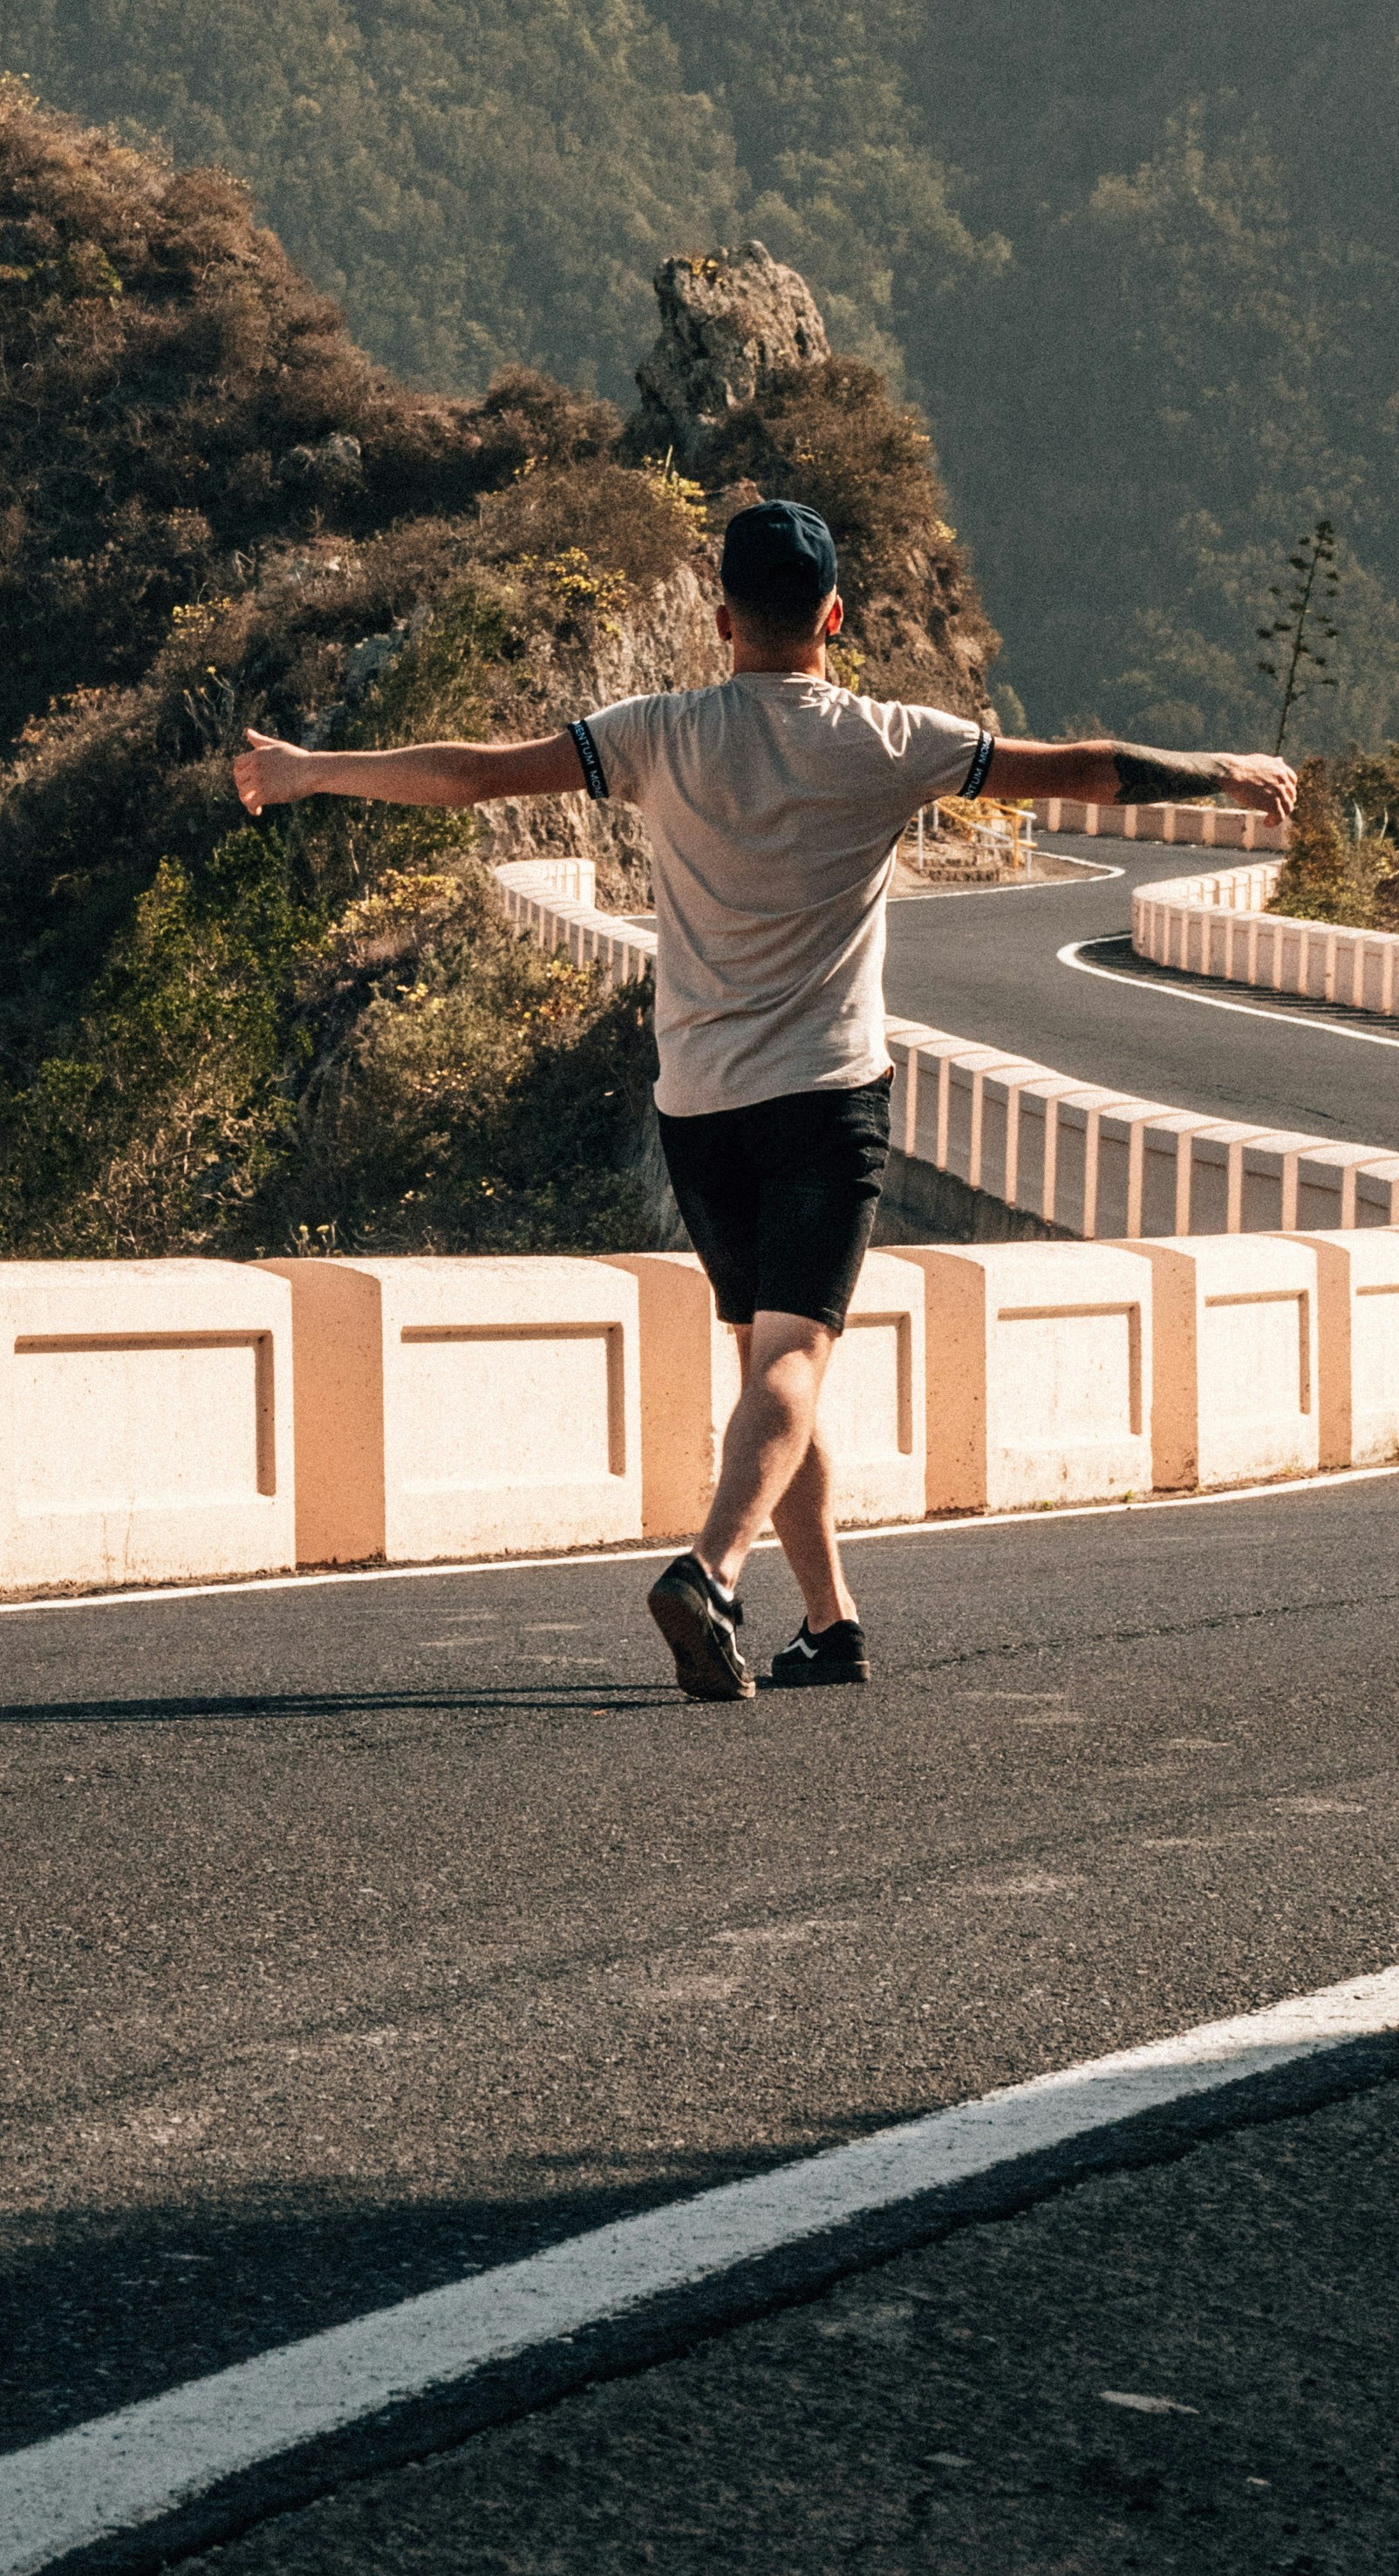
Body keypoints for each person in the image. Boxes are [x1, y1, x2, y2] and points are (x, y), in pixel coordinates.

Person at [232, 499, 1293, 1702]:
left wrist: (314, 769)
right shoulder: (894, 740)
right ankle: (713, 1571)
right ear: (835, 616)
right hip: (826, 1100)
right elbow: (1087, 771)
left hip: (697, 1111)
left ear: (722, 616)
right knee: (794, 1360)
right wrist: (1226, 771)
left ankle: (832, 1623)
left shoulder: (655, 733)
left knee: (771, 1374)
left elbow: (478, 772)